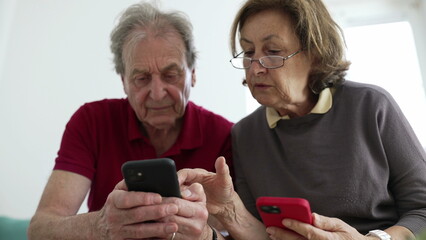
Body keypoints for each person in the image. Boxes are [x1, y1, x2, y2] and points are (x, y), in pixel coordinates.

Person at [178, 0, 426, 239]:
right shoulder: (246, 134)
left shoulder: (371, 105)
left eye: (273, 52)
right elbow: (264, 235)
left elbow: (422, 209)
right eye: (249, 52)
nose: (255, 68)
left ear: (315, 53)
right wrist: (229, 210)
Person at [27, 2, 233, 239]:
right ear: (123, 81)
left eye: (170, 75)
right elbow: (39, 230)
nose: (157, 93)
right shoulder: (91, 121)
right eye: (142, 78)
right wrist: (101, 225)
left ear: (193, 74)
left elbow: (235, 230)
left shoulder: (224, 135)